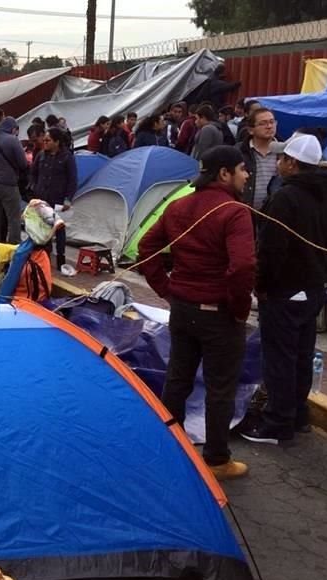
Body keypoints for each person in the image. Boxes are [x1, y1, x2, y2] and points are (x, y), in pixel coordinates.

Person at [137, 146, 255, 481]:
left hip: (183, 308)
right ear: (224, 173)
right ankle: (216, 459)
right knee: (220, 388)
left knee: (178, 378)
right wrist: (239, 308)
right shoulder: (235, 212)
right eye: (243, 170)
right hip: (219, 313)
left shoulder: (178, 206)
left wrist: (166, 289)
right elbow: (243, 265)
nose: (246, 176)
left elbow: (147, 247)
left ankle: (171, 446)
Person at [239, 136, 327, 446]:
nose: (279, 163)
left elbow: (272, 249)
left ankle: (277, 423)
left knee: (280, 358)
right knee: (301, 354)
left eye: (283, 159)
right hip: (313, 289)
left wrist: (263, 285)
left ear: (293, 164)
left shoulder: (286, 198)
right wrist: (319, 270)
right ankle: (298, 415)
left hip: (284, 291)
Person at [29, 128, 77, 270]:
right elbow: (33, 173)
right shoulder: (41, 155)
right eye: (44, 140)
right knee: (42, 228)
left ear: (57, 141)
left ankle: (61, 258)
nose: (45, 143)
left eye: (48, 140)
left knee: (59, 229)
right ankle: (43, 257)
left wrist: (68, 199)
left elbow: (72, 180)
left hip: (58, 200)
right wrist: (34, 188)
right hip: (42, 198)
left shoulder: (67, 157)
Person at [0, 116, 28, 244]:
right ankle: (13, 247)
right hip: (8, 184)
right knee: (13, 219)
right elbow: (23, 163)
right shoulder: (13, 141)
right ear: (14, 129)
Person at [237, 107, 279, 211]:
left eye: (272, 122)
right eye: (263, 123)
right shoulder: (239, 151)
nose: (269, 126)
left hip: (275, 214)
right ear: (251, 130)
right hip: (246, 211)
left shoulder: (285, 152)